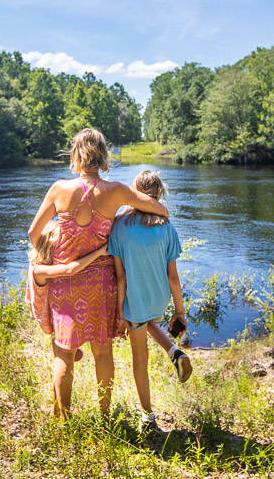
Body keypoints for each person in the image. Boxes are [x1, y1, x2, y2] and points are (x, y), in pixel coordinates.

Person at [28, 128, 168, 420]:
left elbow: (33, 233)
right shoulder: (116, 190)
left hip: (65, 284)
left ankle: (64, 419)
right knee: (102, 353)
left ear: (76, 155)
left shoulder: (59, 189)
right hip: (102, 284)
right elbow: (159, 210)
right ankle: (104, 417)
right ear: (103, 155)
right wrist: (123, 217)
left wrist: (57, 236)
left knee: (64, 354)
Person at [108, 170, 193, 432]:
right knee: (147, 320)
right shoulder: (167, 227)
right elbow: (173, 276)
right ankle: (174, 351)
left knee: (139, 359)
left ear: (135, 192)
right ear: (159, 195)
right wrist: (180, 311)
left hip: (134, 300)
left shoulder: (120, 225)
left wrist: (121, 312)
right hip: (159, 299)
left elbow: (120, 276)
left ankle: (148, 417)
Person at [25, 220, 110, 363]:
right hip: (48, 314)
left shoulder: (37, 265)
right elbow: (70, 270)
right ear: (52, 246)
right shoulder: (39, 270)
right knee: (65, 356)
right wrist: (100, 252)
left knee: (67, 354)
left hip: (52, 310)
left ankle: (56, 383)